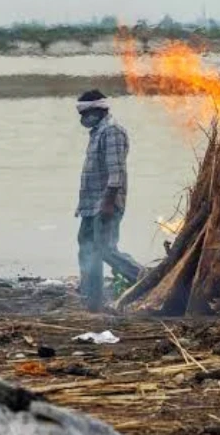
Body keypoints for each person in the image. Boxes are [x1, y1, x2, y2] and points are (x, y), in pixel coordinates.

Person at [74, 90, 141, 312]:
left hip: (105, 203)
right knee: (86, 247)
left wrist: (108, 202)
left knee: (105, 249)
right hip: (90, 204)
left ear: (98, 110)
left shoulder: (112, 132)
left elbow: (116, 172)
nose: (82, 118)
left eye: (85, 113)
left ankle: (144, 280)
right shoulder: (97, 132)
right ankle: (92, 299)